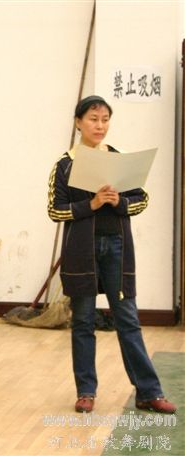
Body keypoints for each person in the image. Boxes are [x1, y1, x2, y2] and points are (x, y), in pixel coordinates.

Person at [47, 95, 177, 414]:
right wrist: (90, 205)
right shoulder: (64, 165)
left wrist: (119, 202)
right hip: (82, 252)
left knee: (128, 319)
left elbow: (141, 200)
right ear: (78, 123)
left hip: (117, 248)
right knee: (83, 321)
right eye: (93, 119)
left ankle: (148, 392)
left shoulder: (120, 160)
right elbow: (55, 210)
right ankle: (86, 392)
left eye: (105, 119)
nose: (100, 125)